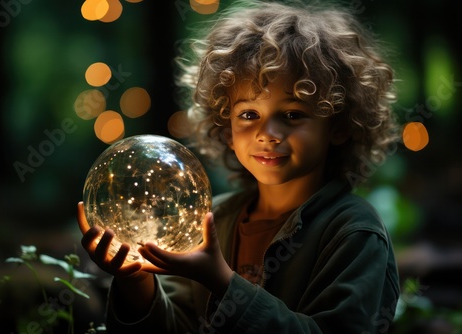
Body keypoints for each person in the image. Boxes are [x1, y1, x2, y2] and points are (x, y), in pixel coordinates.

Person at [76, 0, 401, 332]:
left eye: (292, 114)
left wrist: (222, 280)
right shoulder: (205, 222)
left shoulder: (354, 233)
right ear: (226, 126)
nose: (267, 134)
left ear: (339, 125)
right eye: (248, 115)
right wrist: (136, 279)